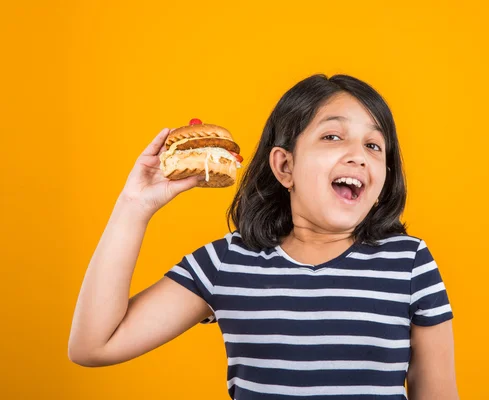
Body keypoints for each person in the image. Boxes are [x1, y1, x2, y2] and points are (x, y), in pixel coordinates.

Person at [68, 74, 459, 399]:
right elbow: (94, 345)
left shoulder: (409, 262)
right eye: (333, 137)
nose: (358, 154)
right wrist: (134, 206)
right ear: (284, 166)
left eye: (374, 145)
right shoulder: (226, 263)